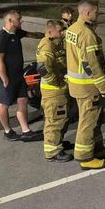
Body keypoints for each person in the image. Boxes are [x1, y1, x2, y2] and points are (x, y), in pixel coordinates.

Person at [65, 0, 105, 169]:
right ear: (87, 13)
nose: (97, 16)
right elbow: (91, 65)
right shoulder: (86, 35)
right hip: (88, 86)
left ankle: (97, 148)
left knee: (94, 119)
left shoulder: (72, 29)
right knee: (88, 122)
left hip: (77, 85)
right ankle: (85, 158)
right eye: (96, 13)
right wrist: (104, 86)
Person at [0, 10, 44, 141]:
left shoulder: (16, 33)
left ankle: (26, 131)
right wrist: (4, 79)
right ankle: (7, 132)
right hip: (6, 77)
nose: (21, 21)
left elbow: (34, 35)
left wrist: (48, 35)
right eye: (19, 19)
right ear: (10, 20)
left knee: (23, 100)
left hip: (18, 75)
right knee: (5, 104)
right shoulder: (1, 38)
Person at [36, 20, 72, 162]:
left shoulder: (53, 43)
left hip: (56, 90)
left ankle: (57, 143)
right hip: (53, 90)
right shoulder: (47, 47)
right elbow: (43, 69)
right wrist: (57, 82)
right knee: (55, 120)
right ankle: (53, 151)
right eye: (59, 30)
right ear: (50, 32)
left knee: (60, 118)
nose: (62, 33)